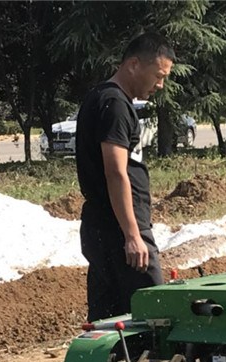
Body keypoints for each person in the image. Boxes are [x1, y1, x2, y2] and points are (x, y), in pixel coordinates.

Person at [76, 32, 175, 322]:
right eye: (158, 75)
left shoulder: (100, 97)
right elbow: (116, 172)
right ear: (133, 64)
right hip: (119, 230)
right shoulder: (116, 105)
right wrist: (132, 235)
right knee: (156, 316)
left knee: (110, 320)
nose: (160, 84)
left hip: (100, 227)